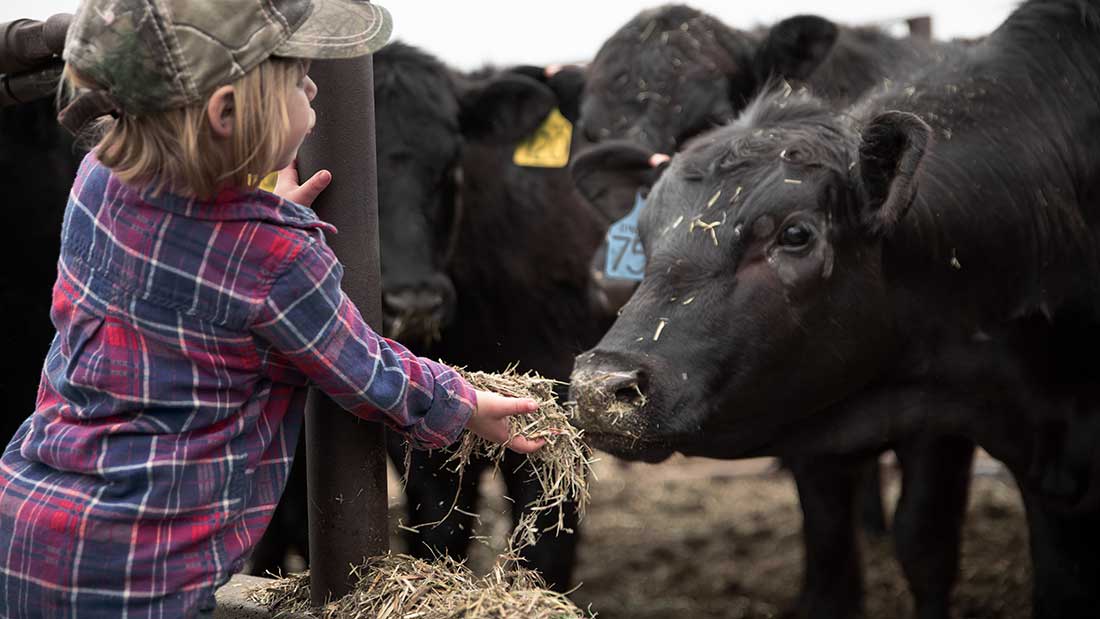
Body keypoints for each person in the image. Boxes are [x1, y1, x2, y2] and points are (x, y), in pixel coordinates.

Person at [0, 1, 544, 617]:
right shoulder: (277, 258)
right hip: (147, 573)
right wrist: (465, 403)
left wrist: (263, 205)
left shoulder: (97, 179)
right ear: (228, 113)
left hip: (29, 519)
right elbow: (368, 374)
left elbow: (197, 244)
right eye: (293, 77)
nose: (313, 86)